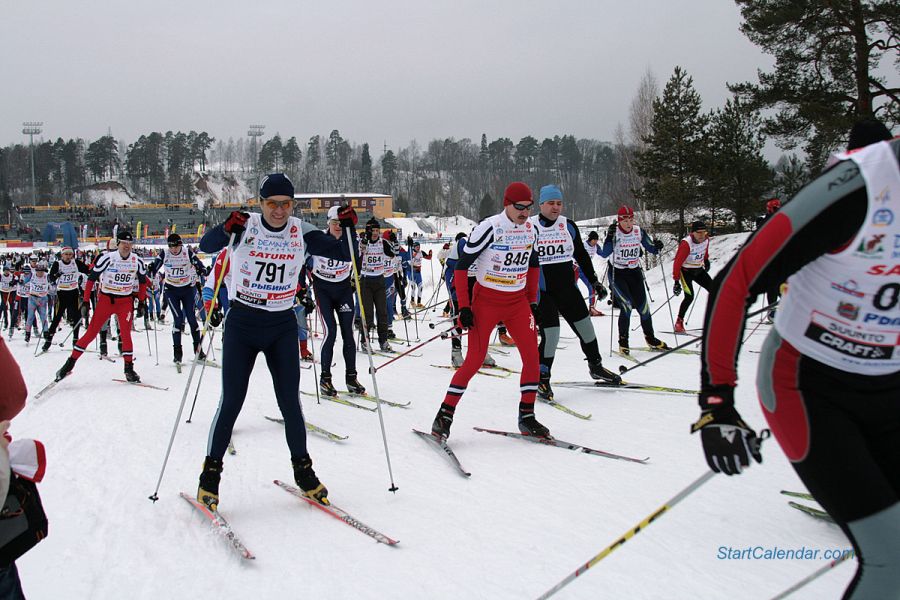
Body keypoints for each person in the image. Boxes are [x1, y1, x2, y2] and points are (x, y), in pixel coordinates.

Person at [693, 121, 898, 599]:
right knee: (893, 560)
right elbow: (737, 280)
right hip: (810, 387)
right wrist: (717, 401)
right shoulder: (856, 187)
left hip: (891, 383)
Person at [196, 173, 359, 510]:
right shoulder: (247, 226)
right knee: (232, 401)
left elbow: (345, 255)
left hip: (282, 324)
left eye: (286, 204)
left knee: (290, 403)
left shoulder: (301, 230)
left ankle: (304, 473)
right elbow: (205, 246)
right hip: (243, 322)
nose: (280, 211)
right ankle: (209, 477)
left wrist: (346, 227)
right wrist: (226, 227)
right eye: (273, 204)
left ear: (292, 204)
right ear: (261, 203)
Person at [431, 182, 546, 440]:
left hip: (517, 303)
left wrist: (533, 301)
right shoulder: (490, 228)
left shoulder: (531, 229)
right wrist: (464, 307)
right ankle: (444, 415)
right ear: (506, 204)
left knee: (532, 358)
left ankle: (527, 416)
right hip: (487, 302)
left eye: (529, 207)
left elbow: (533, 264)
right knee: (474, 360)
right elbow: (462, 267)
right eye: (519, 207)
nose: (525, 212)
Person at [530, 185, 621, 402]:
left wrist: (594, 281)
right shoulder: (529, 226)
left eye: (559, 203)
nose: (555, 207)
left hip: (567, 289)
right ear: (541, 204)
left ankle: (596, 367)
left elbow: (581, 254)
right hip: (543, 292)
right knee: (551, 336)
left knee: (587, 330)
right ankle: (542, 377)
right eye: (550, 203)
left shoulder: (568, 225)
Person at [55, 230, 147, 383]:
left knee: (126, 334)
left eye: (129, 244)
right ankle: (69, 364)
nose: (127, 247)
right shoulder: (108, 258)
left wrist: (142, 301)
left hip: (125, 302)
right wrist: (85, 301)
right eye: (124, 243)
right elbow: (91, 279)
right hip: (106, 300)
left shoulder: (136, 260)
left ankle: (129, 369)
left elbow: (143, 281)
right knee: (91, 333)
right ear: (118, 244)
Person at [310, 206, 366, 397]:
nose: (338, 227)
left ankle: (351, 377)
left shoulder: (351, 240)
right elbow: (303, 261)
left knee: (348, 334)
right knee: (330, 332)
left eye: (341, 224)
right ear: (328, 223)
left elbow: (357, 261)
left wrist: (355, 278)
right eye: (334, 223)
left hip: (342, 290)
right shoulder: (320, 240)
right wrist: (301, 288)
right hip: (323, 289)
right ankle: (325, 379)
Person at [599, 205, 668, 354]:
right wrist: (609, 238)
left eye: (631, 219)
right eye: (625, 220)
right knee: (627, 306)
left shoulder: (638, 231)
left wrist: (657, 246)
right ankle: (623, 342)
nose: (629, 223)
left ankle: (651, 339)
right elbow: (605, 253)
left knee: (644, 308)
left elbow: (651, 248)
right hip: (617, 274)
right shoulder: (615, 232)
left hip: (634, 272)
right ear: (619, 221)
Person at [149, 233, 207, 365]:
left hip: (188, 289)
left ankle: (198, 351)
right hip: (172, 291)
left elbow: (199, 264)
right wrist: (152, 269)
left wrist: (202, 270)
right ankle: (177, 353)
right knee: (178, 319)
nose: (174, 249)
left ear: (180, 245)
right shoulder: (165, 253)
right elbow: (156, 265)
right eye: (171, 247)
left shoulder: (187, 252)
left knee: (192, 319)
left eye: (176, 246)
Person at [357, 218, 395, 352]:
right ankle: (364, 341)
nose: (375, 233)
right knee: (367, 313)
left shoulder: (382, 242)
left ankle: (383, 341)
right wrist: (365, 240)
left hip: (379, 279)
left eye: (377, 230)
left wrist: (394, 242)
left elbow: (392, 254)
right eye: (373, 230)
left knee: (382, 312)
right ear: (368, 230)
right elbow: (361, 250)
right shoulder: (363, 241)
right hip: (366, 281)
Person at [43, 247, 90, 351]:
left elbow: (87, 270)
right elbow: (51, 278)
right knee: (57, 317)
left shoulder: (75, 263)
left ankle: (75, 340)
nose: (68, 256)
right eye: (66, 254)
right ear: (62, 255)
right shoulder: (57, 264)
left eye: (70, 254)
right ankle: (48, 340)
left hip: (73, 293)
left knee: (77, 316)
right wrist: (56, 275)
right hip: (62, 294)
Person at [671, 220, 712, 333]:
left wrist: (706, 260)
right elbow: (677, 263)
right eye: (699, 233)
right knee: (689, 297)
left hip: (698, 270)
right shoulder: (686, 243)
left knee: (715, 290)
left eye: (704, 232)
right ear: (693, 232)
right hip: (686, 272)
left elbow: (705, 251)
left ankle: (715, 319)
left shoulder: (706, 239)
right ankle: (679, 322)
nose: (701, 235)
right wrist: (676, 281)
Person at [24, 261, 50, 343]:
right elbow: (24, 281)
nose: (40, 273)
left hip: (42, 299)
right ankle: (27, 334)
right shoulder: (32, 275)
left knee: (43, 317)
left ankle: (46, 333)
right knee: (30, 317)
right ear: (36, 271)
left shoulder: (46, 276)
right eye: (39, 271)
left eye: (42, 271)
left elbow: (53, 280)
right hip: (32, 299)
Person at [579, 230, 604, 316]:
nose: (595, 242)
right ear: (590, 239)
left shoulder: (596, 246)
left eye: (597, 240)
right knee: (570, 288)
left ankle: (592, 308)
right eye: (594, 240)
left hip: (585, 270)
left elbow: (603, 254)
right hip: (575, 268)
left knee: (592, 286)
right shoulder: (583, 245)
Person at [409, 241, 432, 307]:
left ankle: (419, 302)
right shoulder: (411, 252)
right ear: (414, 247)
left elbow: (428, 258)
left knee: (420, 287)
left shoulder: (421, 252)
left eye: (419, 247)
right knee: (413, 287)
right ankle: (412, 301)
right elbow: (408, 261)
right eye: (417, 247)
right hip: (411, 272)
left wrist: (430, 254)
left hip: (418, 272)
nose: (418, 248)